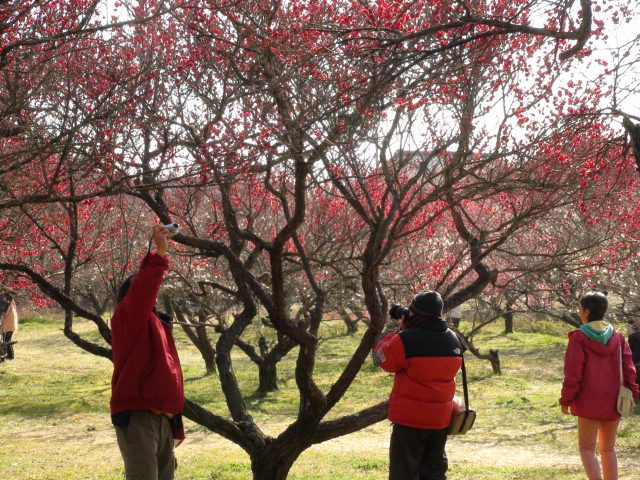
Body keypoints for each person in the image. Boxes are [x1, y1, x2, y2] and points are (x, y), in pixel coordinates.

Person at [110, 225, 185, 480]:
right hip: (139, 417)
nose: (151, 293)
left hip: (163, 418)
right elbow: (144, 289)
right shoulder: (127, 319)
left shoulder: (156, 325)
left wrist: (175, 424)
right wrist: (159, 254)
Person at [373, 291, 464, 480]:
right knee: (434, 473)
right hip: (440, 420)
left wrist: (398, 332)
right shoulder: (454, 339)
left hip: (410, 421)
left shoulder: (406, 339)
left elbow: (381, 359)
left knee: (403, 473)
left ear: (413, 314)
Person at [559, 291, 639, 480]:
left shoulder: (578, 338)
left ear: (586, 311)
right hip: (614, 401)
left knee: (587, 448)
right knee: (608, 449)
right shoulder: (618, 338)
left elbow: (573, 375)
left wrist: (566, 400)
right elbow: (629, 369)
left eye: (580, 308)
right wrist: (633, 394)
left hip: (587, 402)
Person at [0, 293, 18, 360]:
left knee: (7, 340)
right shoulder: (9, 303)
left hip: (9, 325)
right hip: (7, 324)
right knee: (6, 340)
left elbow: (2, 312)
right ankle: (9, 355)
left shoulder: (7, 303)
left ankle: (11, 356)